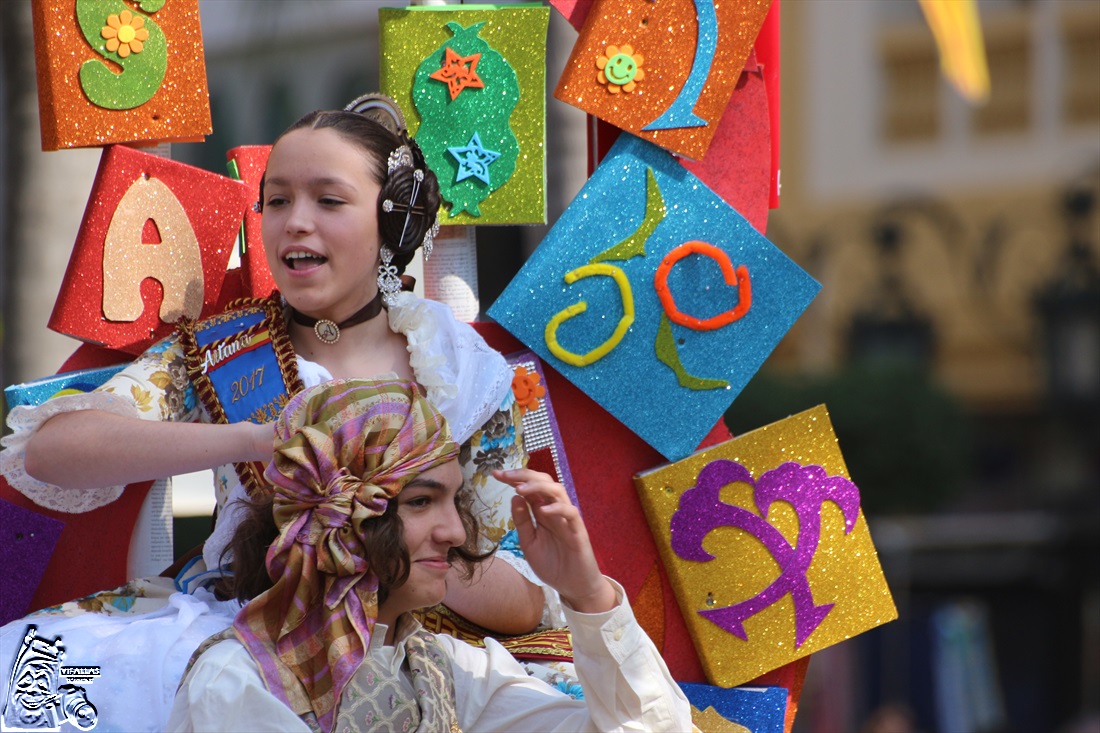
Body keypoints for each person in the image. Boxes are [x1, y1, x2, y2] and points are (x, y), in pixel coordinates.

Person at [0, 99, 552, 731]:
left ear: (392, 219)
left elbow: (521, 603)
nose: (296, 222)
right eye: (279, 200)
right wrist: (257, 438)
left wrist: (382, 546)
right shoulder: (229, 351)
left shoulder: (465, 373)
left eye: (329, 200)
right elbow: (51, 450)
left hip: (417, 647)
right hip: (244, 630)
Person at [167, 378, 692, 732]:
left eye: (453, 500)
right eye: (421, 501)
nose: (456, 530)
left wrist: (589, 594)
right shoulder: (239, 682)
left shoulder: (443, 668)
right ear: (334, 519)